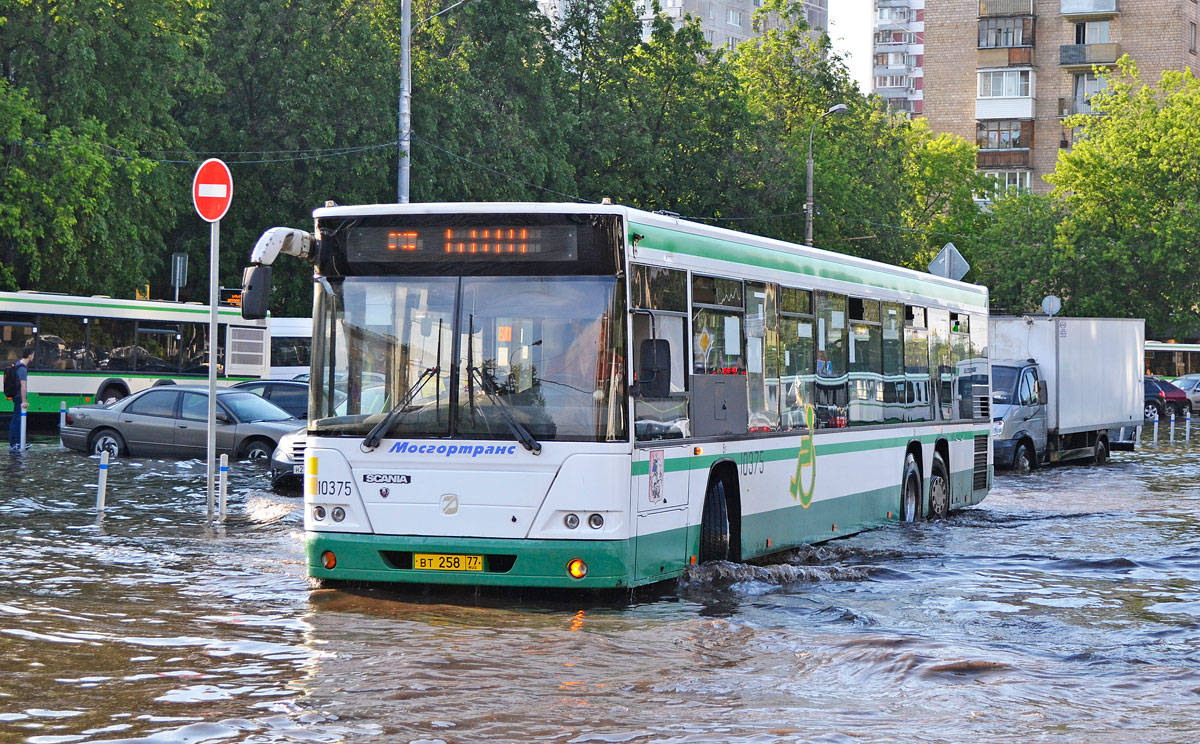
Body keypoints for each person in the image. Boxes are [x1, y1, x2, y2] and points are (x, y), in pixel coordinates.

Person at [8, 346, 34, 450]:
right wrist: (24, 401)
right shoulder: (22, 368)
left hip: (16, 395)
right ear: (30, 355)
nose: (33, 356)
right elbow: (23, 386)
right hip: (19, 397)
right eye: (33, 354)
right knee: (17, 419)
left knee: (16, 419)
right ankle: (16, 443)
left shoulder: (18, 364)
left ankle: (17, 443)